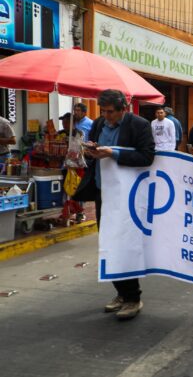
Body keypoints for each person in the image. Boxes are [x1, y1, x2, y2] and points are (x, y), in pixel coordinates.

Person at [73, 89, 155, 321]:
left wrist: (114, 153)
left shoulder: (139, 125)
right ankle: (121, 292)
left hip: (127, 196)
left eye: (111, 112)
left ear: (123, 109)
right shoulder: (99, 123)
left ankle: (133, 297)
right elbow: (98, 151)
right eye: (103, 111)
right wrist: (92, 150)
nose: (106, 116)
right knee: (108, 243)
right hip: (103, 192)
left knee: (125, 244)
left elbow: (147, 156)